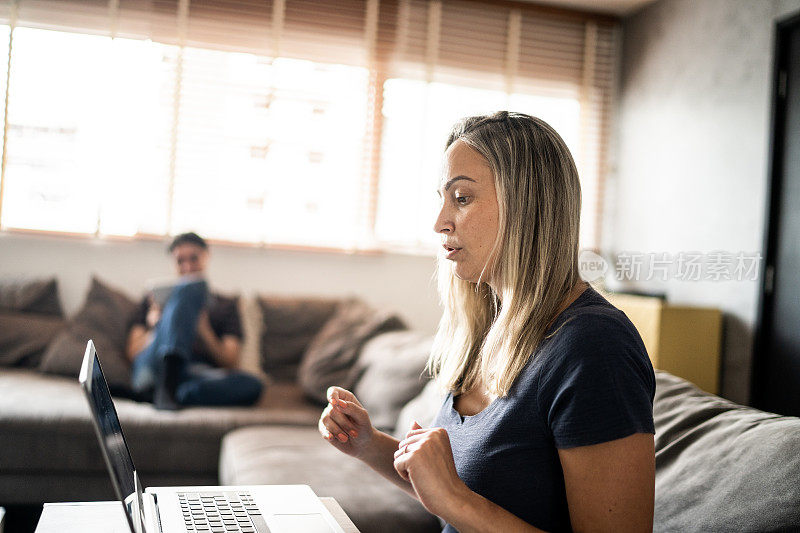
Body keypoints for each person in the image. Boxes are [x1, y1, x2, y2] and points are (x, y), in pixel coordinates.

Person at [318, 112, 656, 531]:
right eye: (442, 199)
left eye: (461, 198)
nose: (440, 221)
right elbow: (453, 492)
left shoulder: (595, 346)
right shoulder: (488, 327)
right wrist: (368, 446)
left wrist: (455, 500)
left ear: (527, 205)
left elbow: (457, 499)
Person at [125, 232, 263, 410]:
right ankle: (168, 384)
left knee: (253, 385)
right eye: (180, 261)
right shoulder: (154, 300)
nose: (188, 267)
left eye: (194, 258)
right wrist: (157, 326)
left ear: (207, 257)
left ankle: (168, 394)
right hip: (153, 369)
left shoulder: (226, 305)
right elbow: (132, 353)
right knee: (186, 288)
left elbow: (230, 362)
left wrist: (204, 330)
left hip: (194, 373)